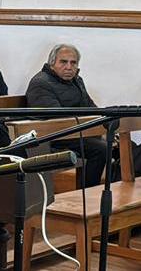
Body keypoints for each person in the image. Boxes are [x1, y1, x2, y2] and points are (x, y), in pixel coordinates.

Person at [26, 44, 112, 188]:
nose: (69, 67)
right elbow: (57, 119)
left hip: (75, 132)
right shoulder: (41, 83)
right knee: (101, 149)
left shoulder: (77, 81)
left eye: (73, 63)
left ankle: (110, 193)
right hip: (52, 136)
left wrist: (106, 126)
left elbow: (90, 107)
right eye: (63, 62)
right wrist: (93, 131)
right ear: (52, 64)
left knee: (116, 145)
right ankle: (87, 193)